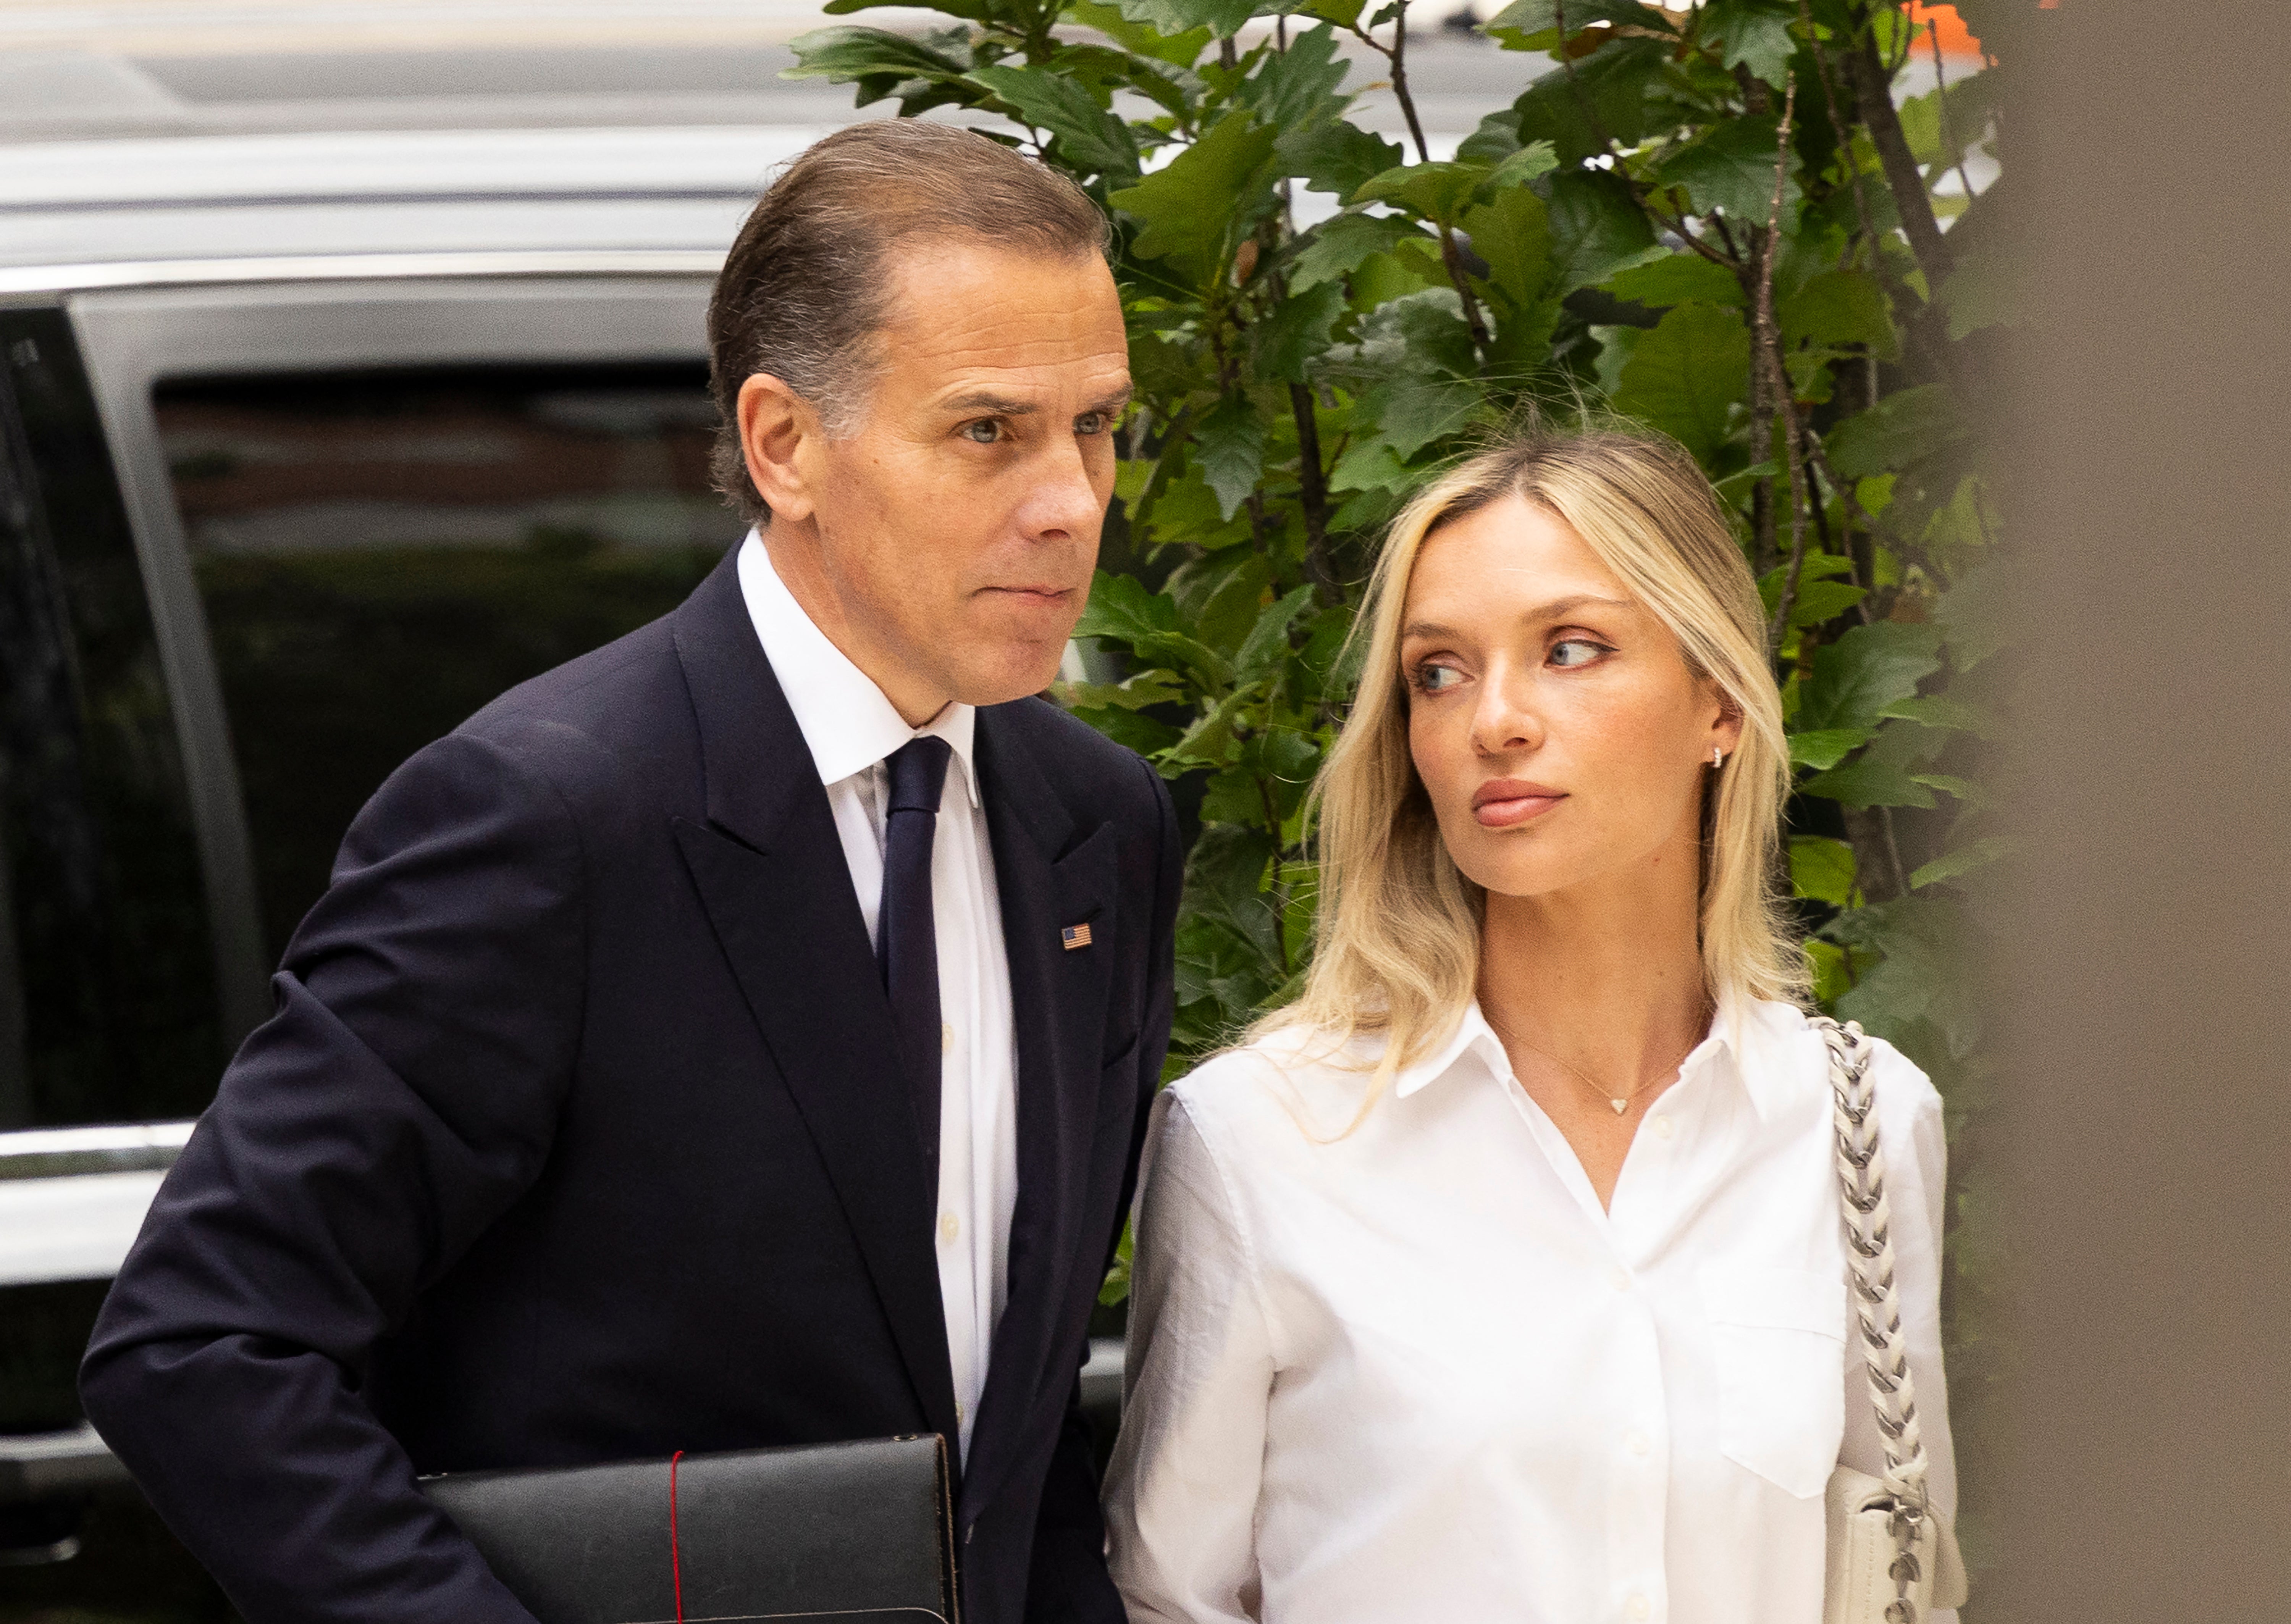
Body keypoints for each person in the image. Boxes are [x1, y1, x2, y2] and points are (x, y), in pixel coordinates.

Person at [81, 120, 1177, 1624]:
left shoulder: (1096, 826)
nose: (1071, 498)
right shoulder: (546, 820)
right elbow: (199, 1343)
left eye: (1098, 425)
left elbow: (1016, 1435)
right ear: (786, 444)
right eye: (989, 431)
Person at [1102, 426, 1957, 1624]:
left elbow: (1899, 1572)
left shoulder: (1859, 1126)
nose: (1494, 720)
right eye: (1438, 672)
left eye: (1571, 650)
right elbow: (1172, 1598)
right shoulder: (1263, 1140)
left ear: (1718, 704)